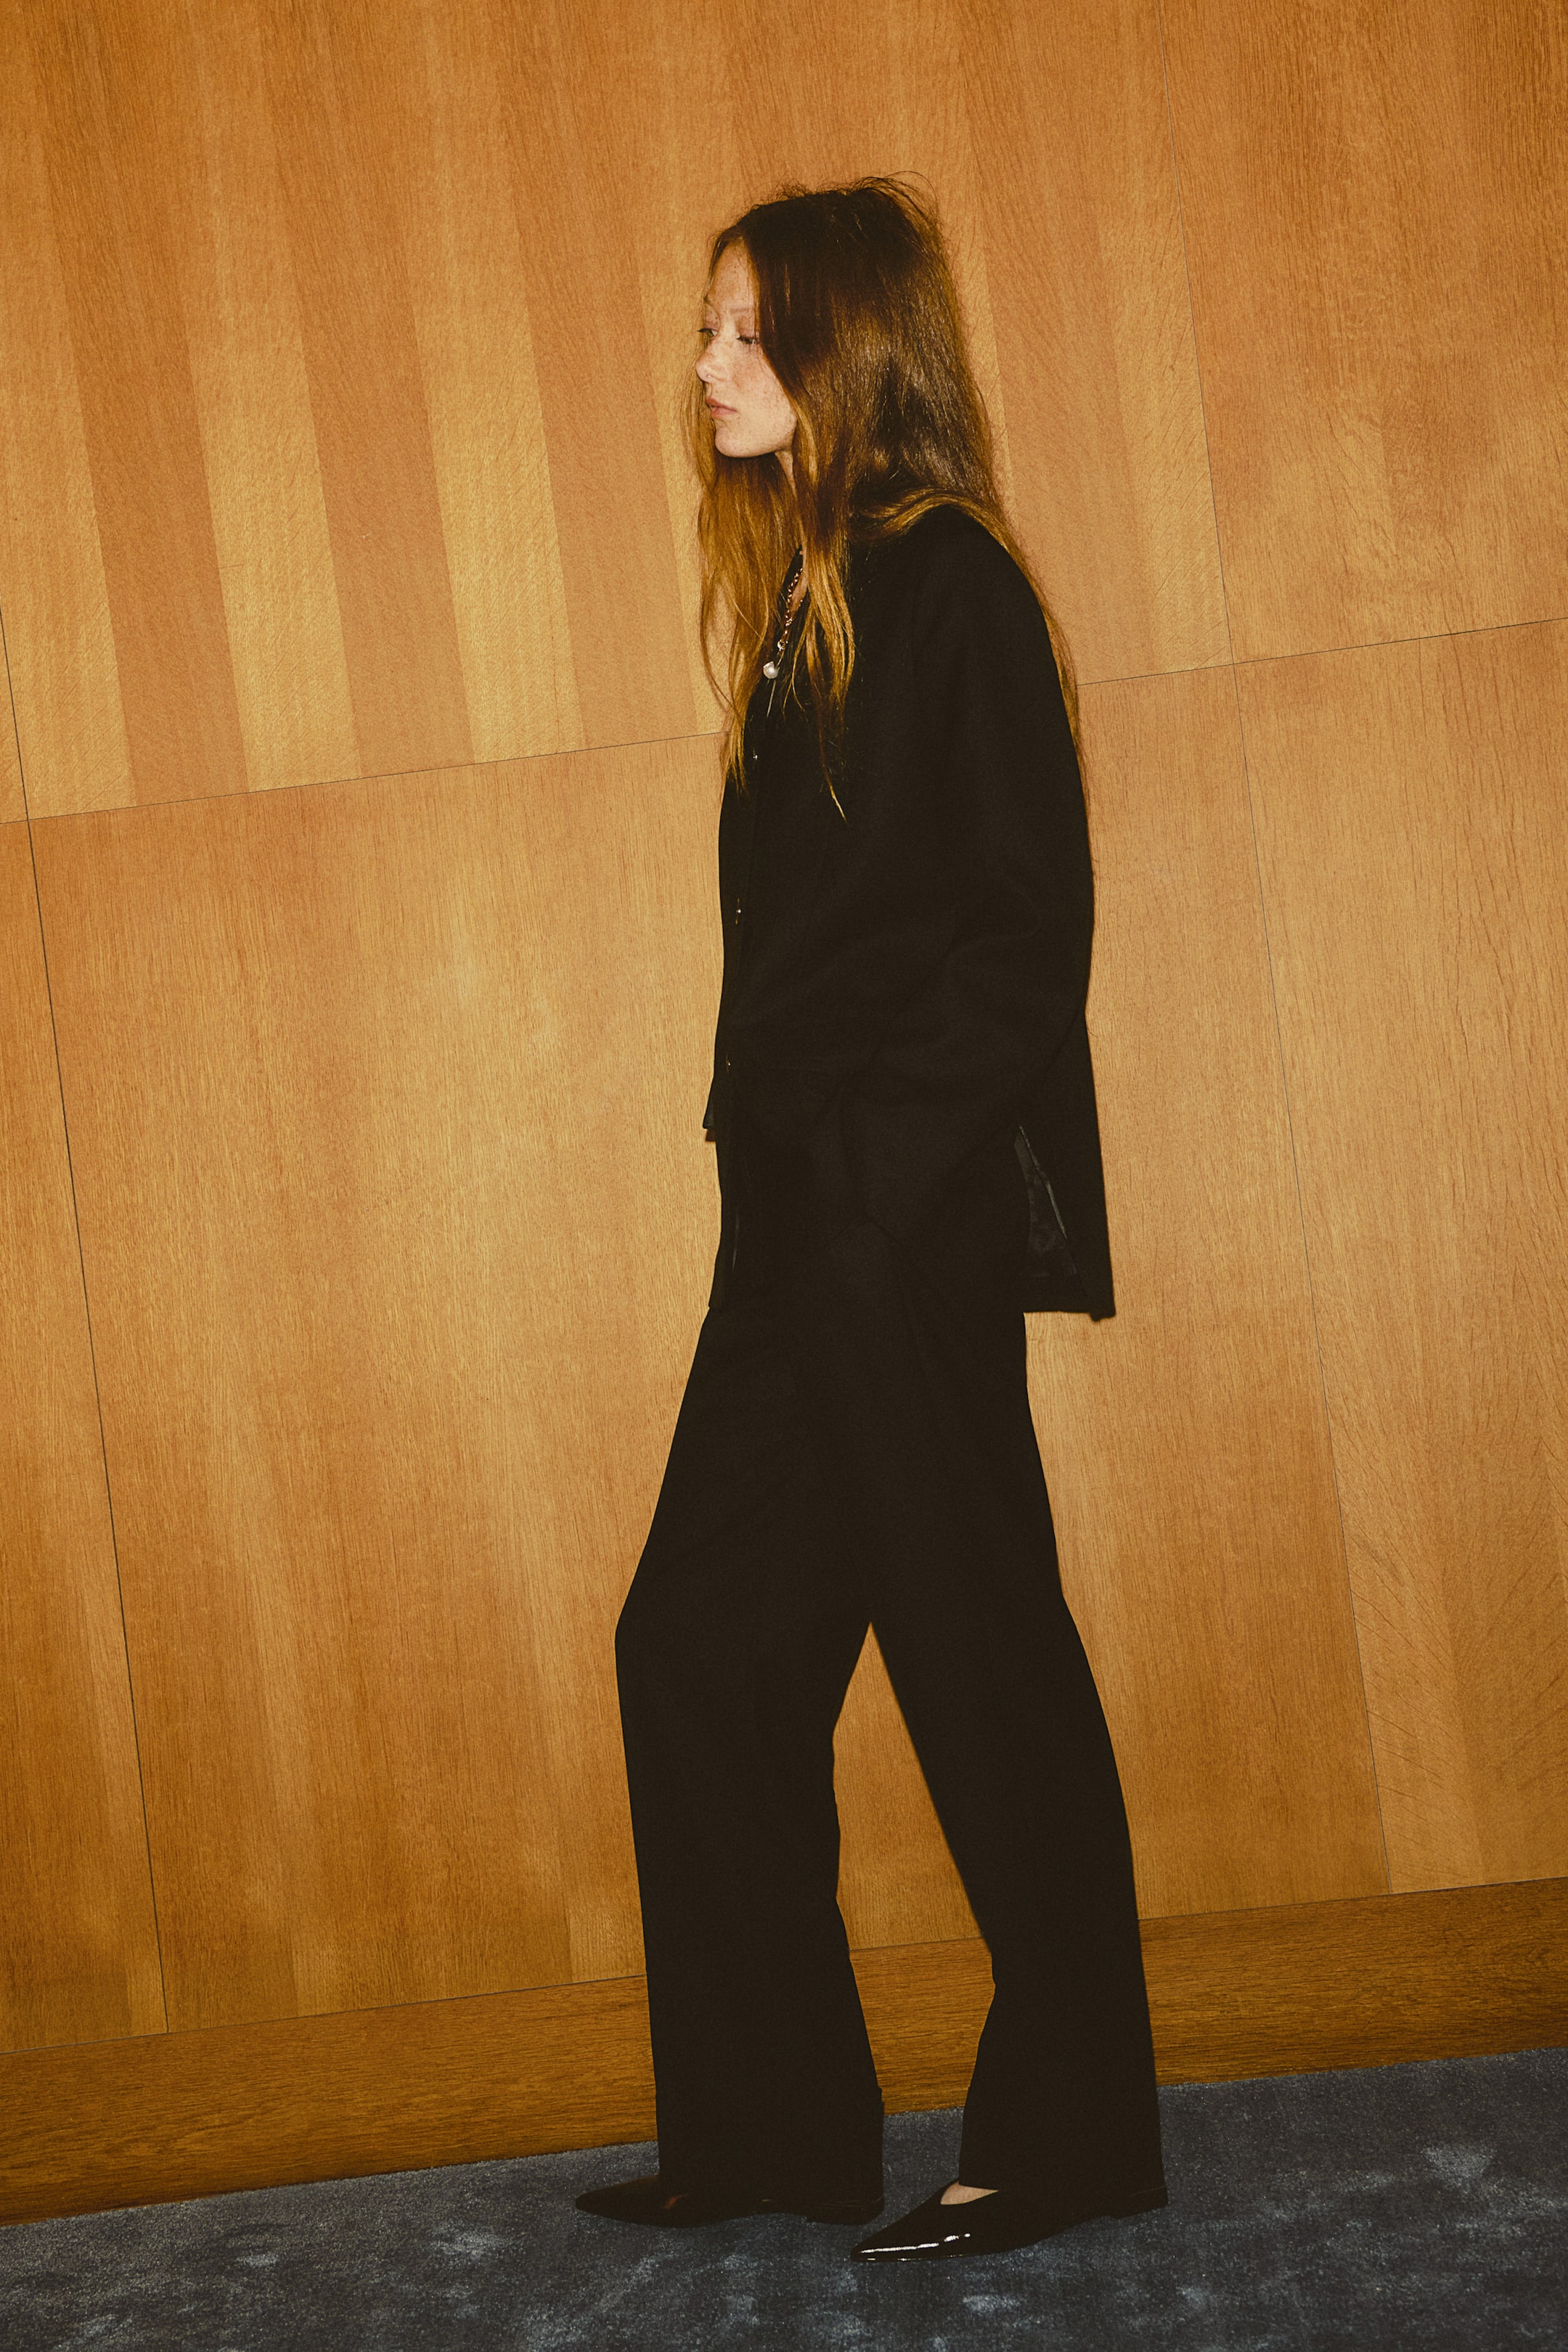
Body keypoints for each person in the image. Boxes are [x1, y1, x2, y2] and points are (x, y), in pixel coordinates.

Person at [575, 178, 1166, 2263]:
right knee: (698, 1649)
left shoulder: (951, 586)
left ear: (850, 346)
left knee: (978, 1654)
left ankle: (1072, 2135)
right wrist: (799, 1187)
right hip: (797, 1233)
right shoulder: (821, 594)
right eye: (708, 327)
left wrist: (872, 1180)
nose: (708, 364)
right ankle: (771, 2131)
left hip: (888, 1228)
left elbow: (1021, 939)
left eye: (748, 329)